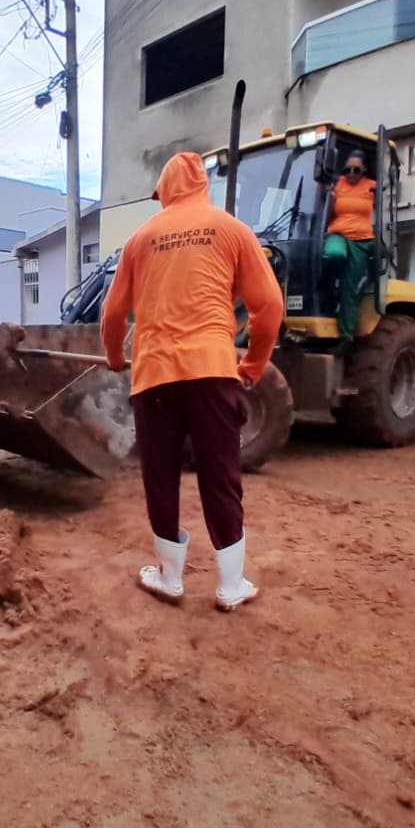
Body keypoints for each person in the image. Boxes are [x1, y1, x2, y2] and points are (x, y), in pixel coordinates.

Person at [100, 152, 283, 612]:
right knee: (221, 477)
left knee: (160, 477)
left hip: (155, 376)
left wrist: (116, 357)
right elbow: (269, 309)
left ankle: (169, 578)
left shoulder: (140, 240)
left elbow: (113, 314)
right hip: (212, 373)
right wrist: (255, 365)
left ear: (164, 190)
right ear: (203, 186)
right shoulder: (233, 231)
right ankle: (231, 585)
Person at [322, 149, 377, 343]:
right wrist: (328, 196)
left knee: (351, 288)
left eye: (356, 170)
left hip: (362, 241)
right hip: (338, 235)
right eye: (348, 170)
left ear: (364, 170)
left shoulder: (372, 187)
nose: (352, 174)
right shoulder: (337, 185)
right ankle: (326, 289)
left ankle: (346, 336)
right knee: (334, 255)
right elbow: (327, 213)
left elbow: (384, 209)